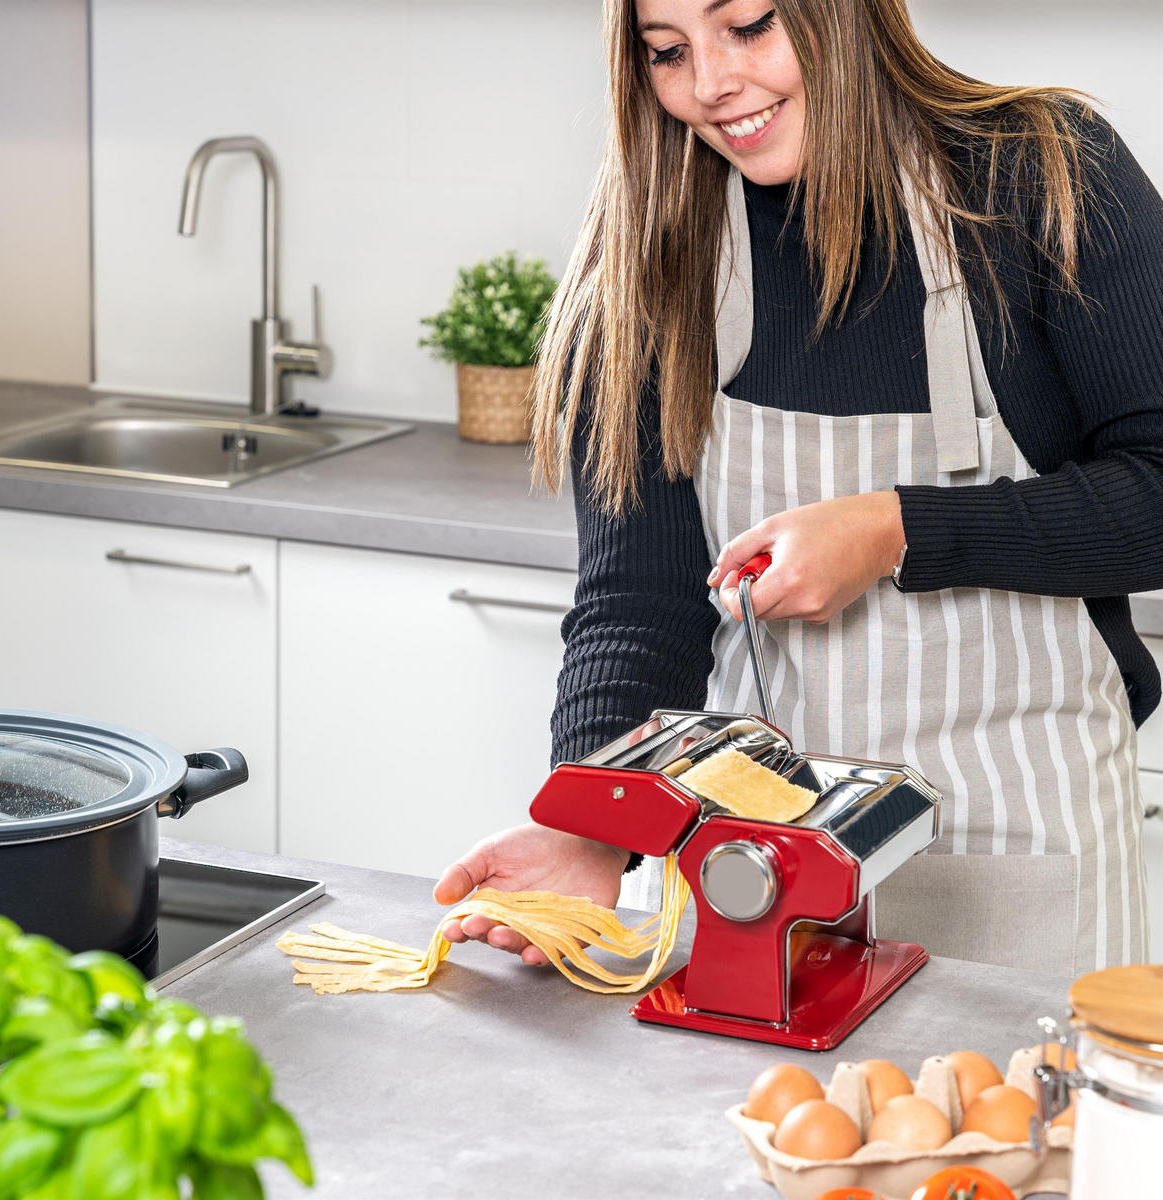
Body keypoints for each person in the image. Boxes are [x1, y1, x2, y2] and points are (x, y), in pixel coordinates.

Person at [434, 0, 1163, 976]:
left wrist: (897, 529)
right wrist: (594, 825)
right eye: (667, 50)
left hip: (1014, 856)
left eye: (747, 24)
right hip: (753, 879)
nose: (709, 83)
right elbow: (638, 604)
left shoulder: (1043, 173)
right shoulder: (657, 248)